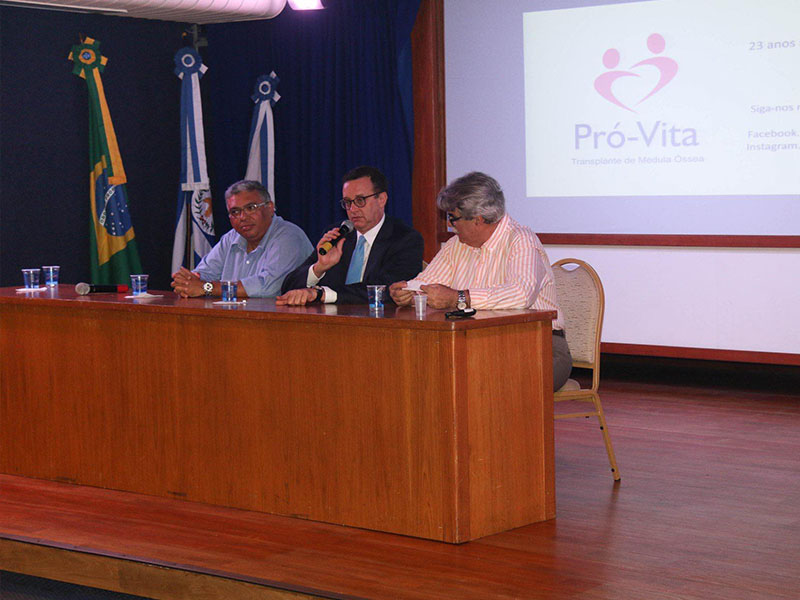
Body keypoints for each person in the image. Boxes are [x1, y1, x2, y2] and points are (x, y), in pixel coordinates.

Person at [389, 171, 572, 390]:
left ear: (478, 219)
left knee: (494, 385)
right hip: (476, 342)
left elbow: (521, 294)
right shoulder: (457, 245)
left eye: (453, 218)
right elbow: (426, 285)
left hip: (539, 343)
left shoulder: (521, 240)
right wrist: (407, 293)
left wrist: (459, 298)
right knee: (420, 373)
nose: (450, 226)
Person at [277, 166, 423, 305]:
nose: (352, 209)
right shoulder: (338, 235)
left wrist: (322, 294)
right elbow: (288, 287)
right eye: (347, 202)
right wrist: (319, 268)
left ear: (381, 199)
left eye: (360, 200)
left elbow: (385, 289)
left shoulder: (405, 239)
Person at [171, 180, 313, 298]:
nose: (243, 217)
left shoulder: (290, 237)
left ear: (270, 208)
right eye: (235, 212)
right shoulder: (231, 238)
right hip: (236, 318)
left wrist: (207, 288)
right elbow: (204, 274)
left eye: (251, 208)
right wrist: (187, 282)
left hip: (281, 321)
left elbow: (268, 287)